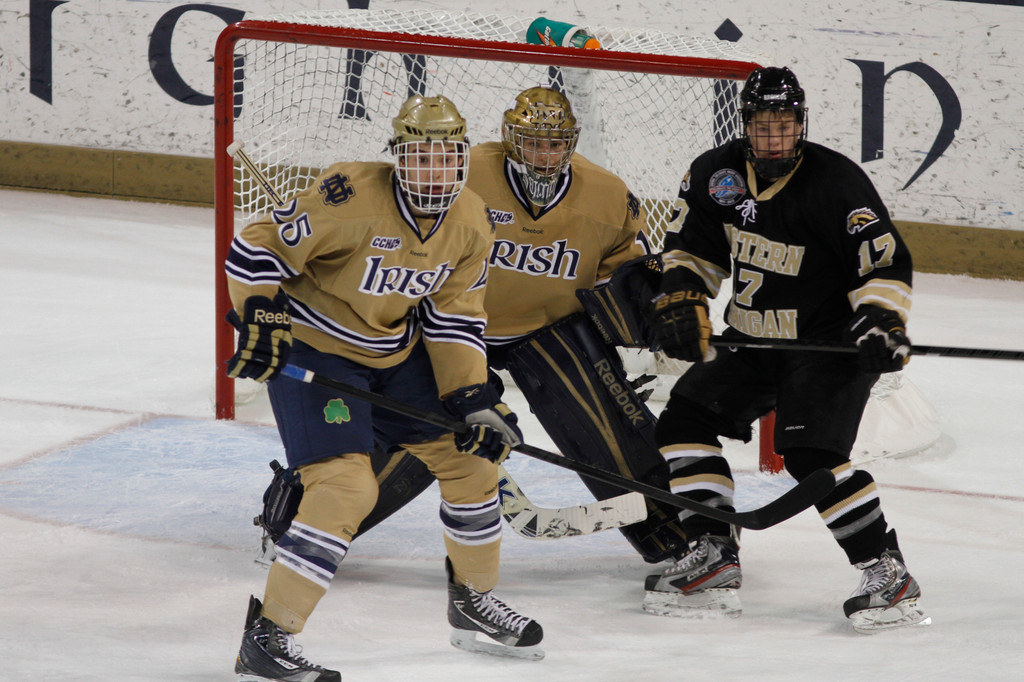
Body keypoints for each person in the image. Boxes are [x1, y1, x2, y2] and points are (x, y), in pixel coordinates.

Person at [256, 85, 699, 610]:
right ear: (510, 140)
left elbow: (625, 268)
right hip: (456, 330)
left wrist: (654, 308)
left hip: (548, 329)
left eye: (556, 144)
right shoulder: (463, 173)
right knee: (437, 433)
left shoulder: (605, 194)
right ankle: (307, 514)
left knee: (603, 413)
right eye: (533, 142)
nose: (545, 154)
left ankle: (680, 533)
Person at [226, 94, 543, 681]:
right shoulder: (350, 194)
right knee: (346, 489)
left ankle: (472, 602)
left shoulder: (471, 219)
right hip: (316, 350)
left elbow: (454, 319)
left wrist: (473, 399)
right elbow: (256, 246)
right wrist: (261, 312)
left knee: (473, 463)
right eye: (420, 158)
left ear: (463, 162)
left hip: (393, 354)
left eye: (446, 158)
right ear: (397, 158)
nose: (434, 172)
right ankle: (267, 640)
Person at [646, 65, 930, 632]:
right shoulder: (715, 174)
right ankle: (713, 552)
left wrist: (878, 320)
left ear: (800, 124)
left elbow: (882, 261)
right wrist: (683, 298)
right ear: (745, 125)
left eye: (784, 124)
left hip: (825, 348)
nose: (773, 137)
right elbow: (690, 251)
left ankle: (886, 571)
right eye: (762, 124)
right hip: (752, 340)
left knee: (813, 458)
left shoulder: (835, 182)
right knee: (682, 420)